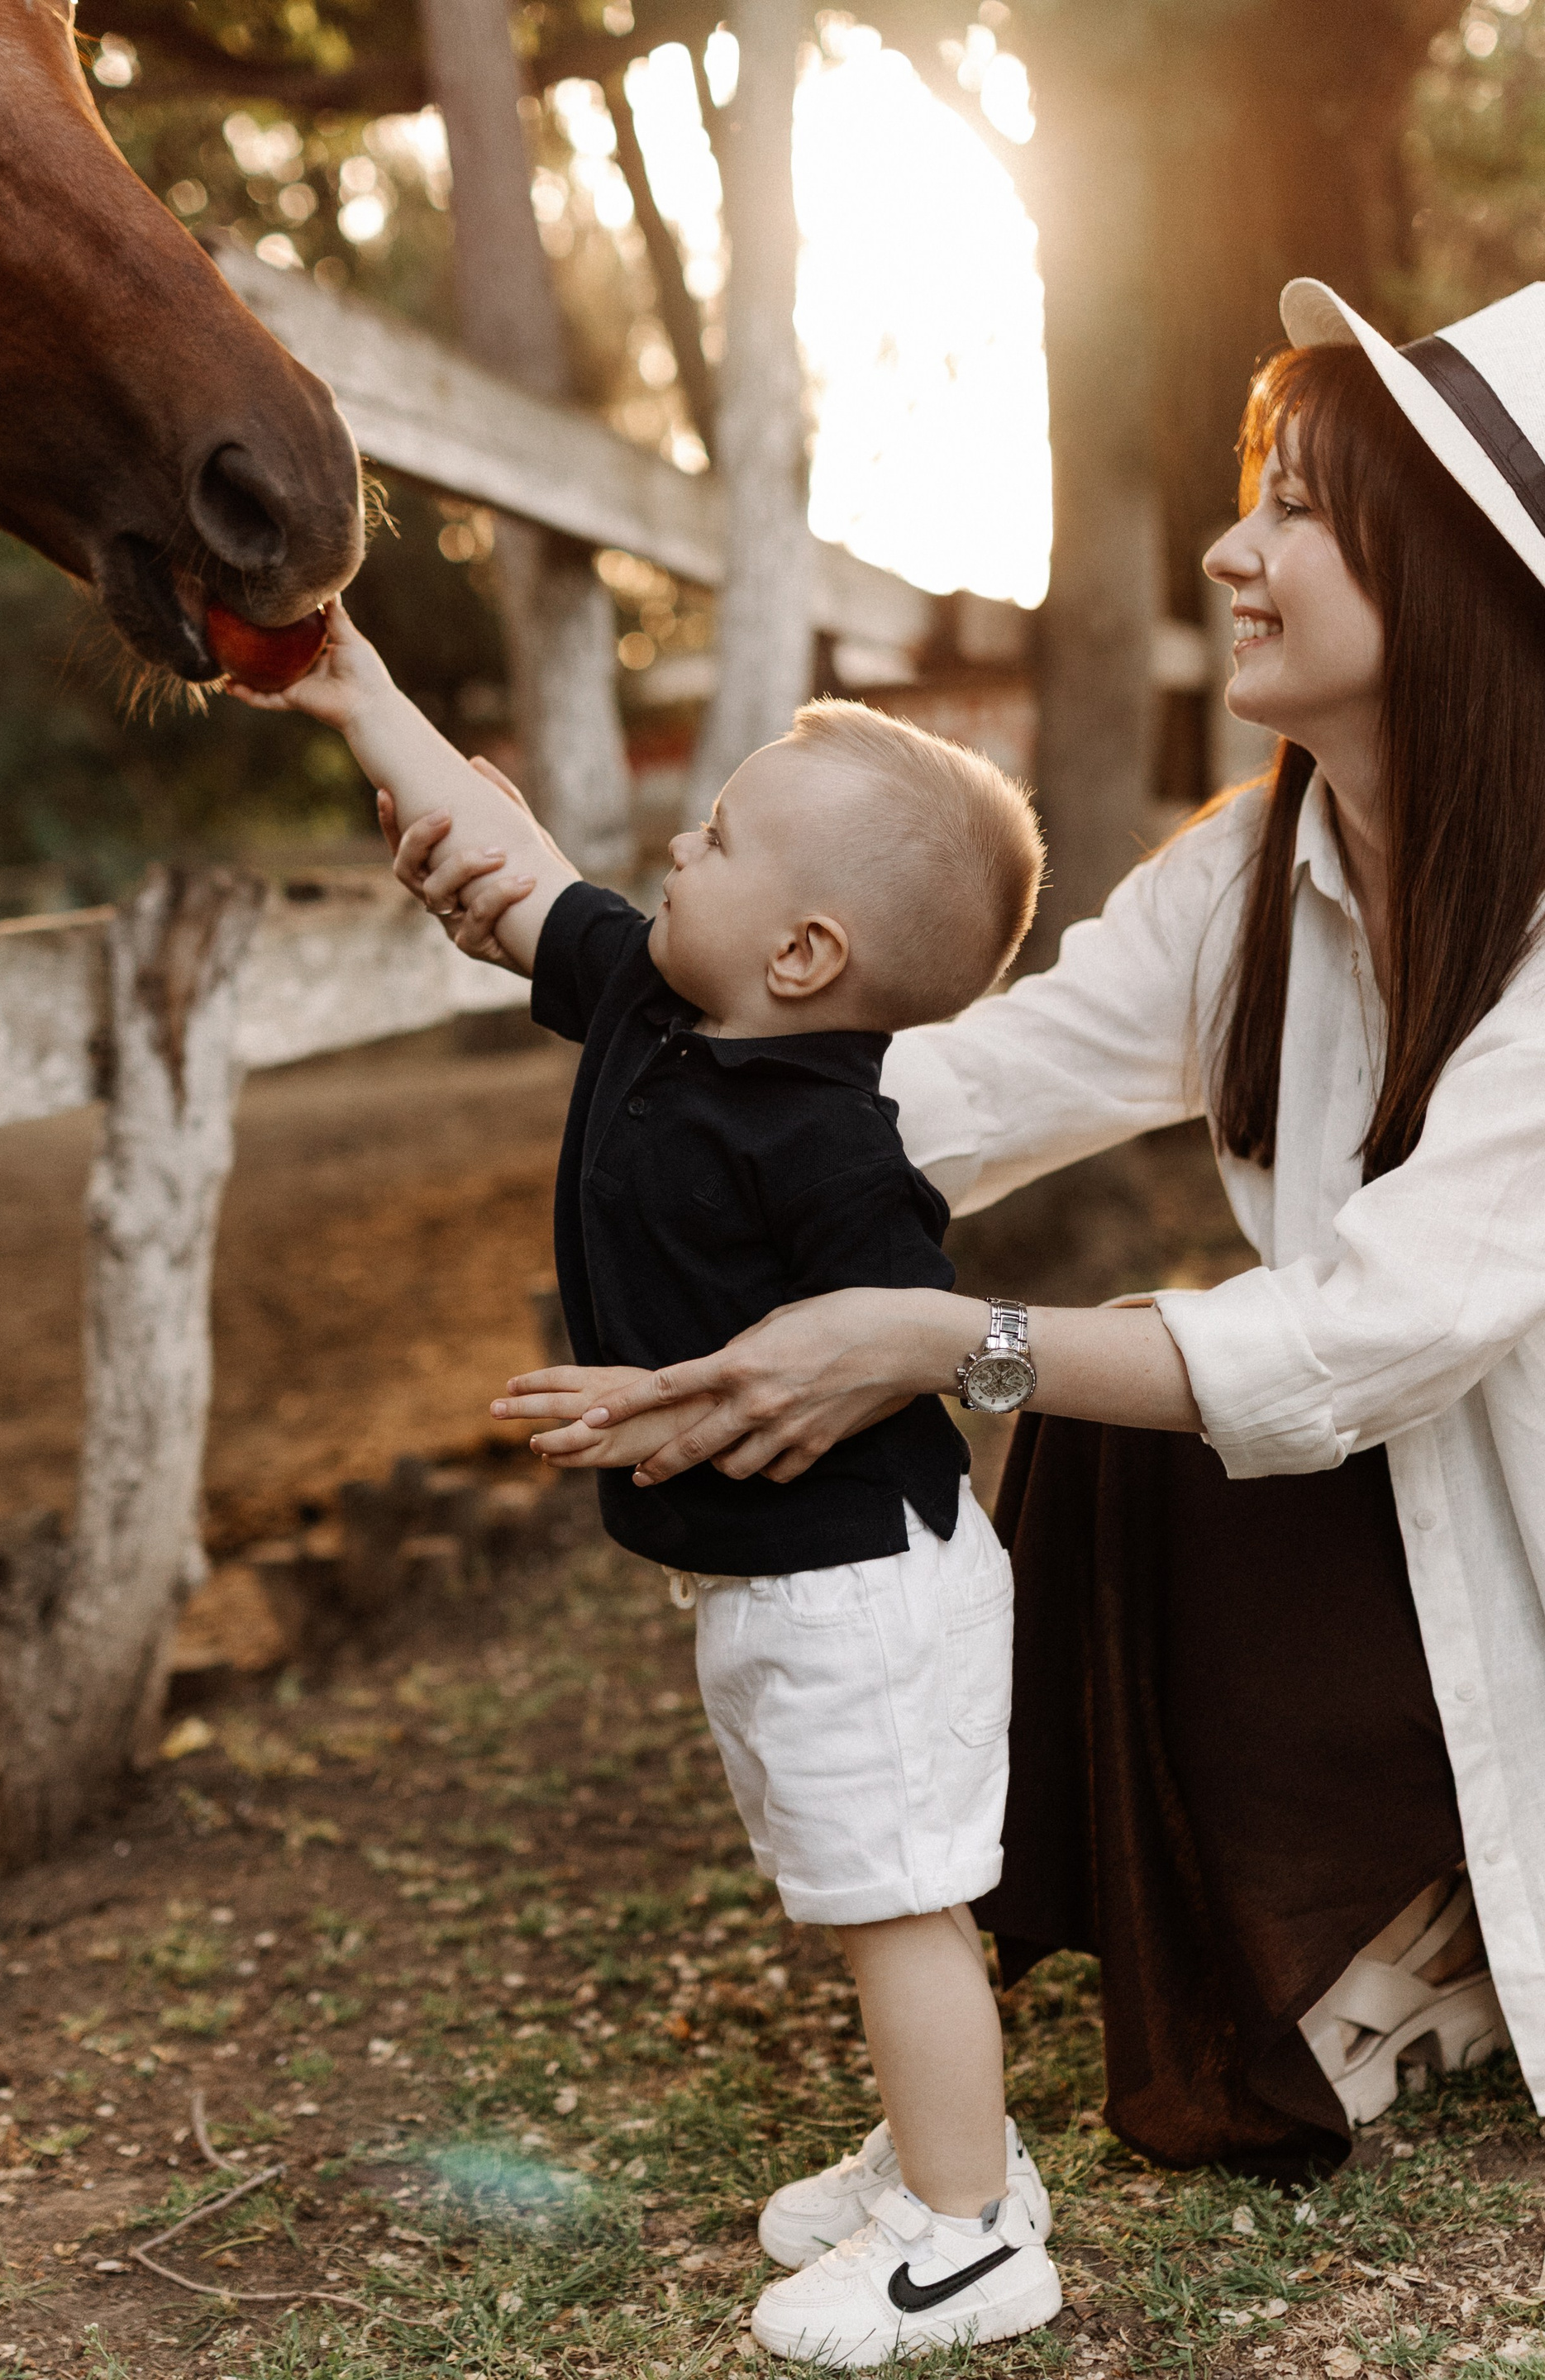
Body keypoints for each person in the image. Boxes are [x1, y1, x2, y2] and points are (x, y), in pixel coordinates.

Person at [402, 275, 1545, 2184]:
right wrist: (639, 987)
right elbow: (953, 1097)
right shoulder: (1257, 874)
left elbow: (1377, 1328)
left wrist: (948, 1340)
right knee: (1128, 1418)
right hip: (1417, 1482)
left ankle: (1451, 1900)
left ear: (1451, 589)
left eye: (1294, 513)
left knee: (1099, 1379)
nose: (1227, 552)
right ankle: (1397, 1901)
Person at [228, 616, 1066, 2363]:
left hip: (865, 1585)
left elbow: (883, 1348)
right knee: (865, 1886)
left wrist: (669, 1392)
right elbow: (512, 871)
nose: (681, 842)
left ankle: (970, 2234)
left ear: (806, 952)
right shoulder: (654, 999)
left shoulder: (836, 1148)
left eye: (722, 837)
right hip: (777, 1584)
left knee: (896, 1903)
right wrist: (361, 689)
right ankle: (946, 2150)